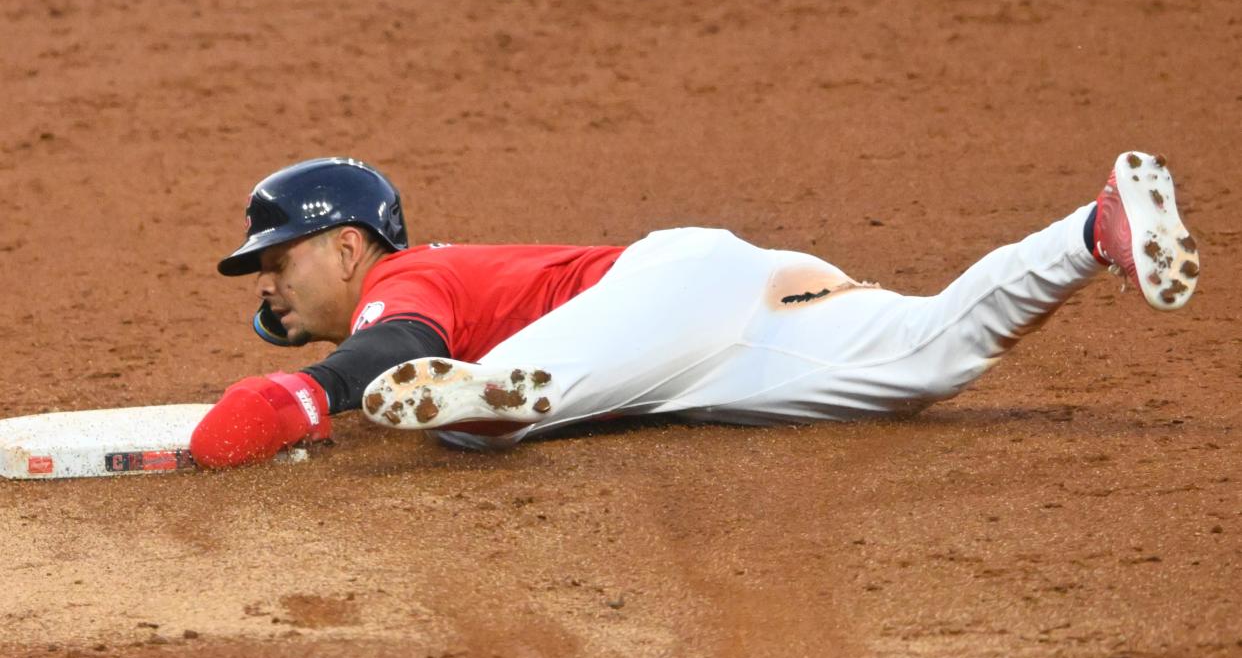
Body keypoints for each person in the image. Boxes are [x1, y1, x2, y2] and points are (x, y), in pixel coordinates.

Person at [189, 152, 1200, 468]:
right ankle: (1087, 230)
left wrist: (299, 397)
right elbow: (390, 353)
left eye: (274, 261)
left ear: (348, 246)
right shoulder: (401, 285)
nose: (268, 284)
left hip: (659, 297)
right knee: (930, 356)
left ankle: (488, 402)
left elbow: (394, 348)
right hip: (718, 338)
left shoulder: (404, 283)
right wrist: (308, 344)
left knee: (480, 420)